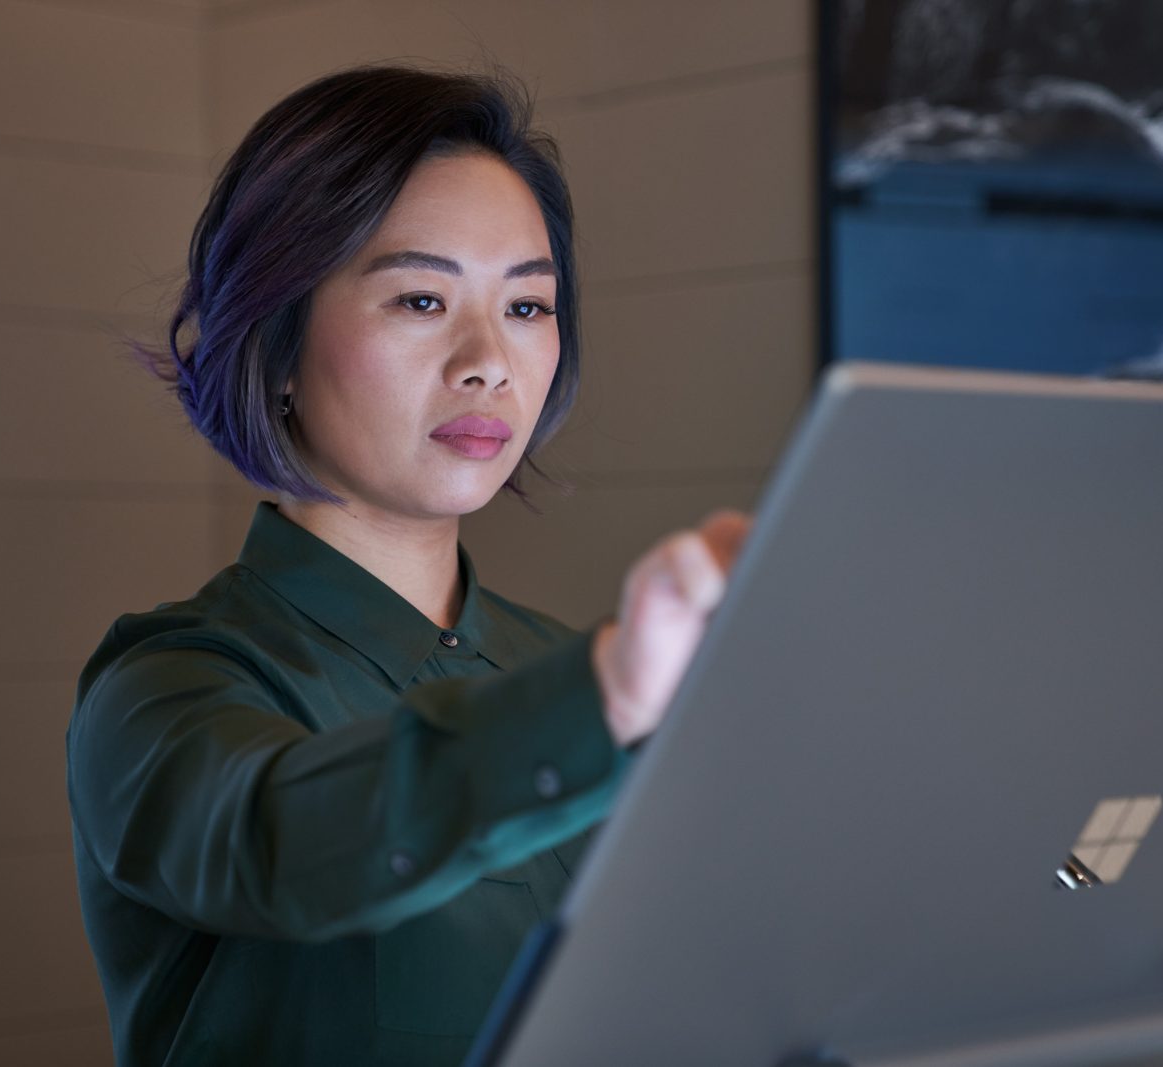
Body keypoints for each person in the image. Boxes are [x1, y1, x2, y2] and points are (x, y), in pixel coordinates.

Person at [66, 63, 751, 1066]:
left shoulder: (567, 662)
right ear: (278, 336)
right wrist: (603, 696)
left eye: (526, 307)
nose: (488, 360)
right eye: (421, 299)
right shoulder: (162, 690)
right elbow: (281, 840)